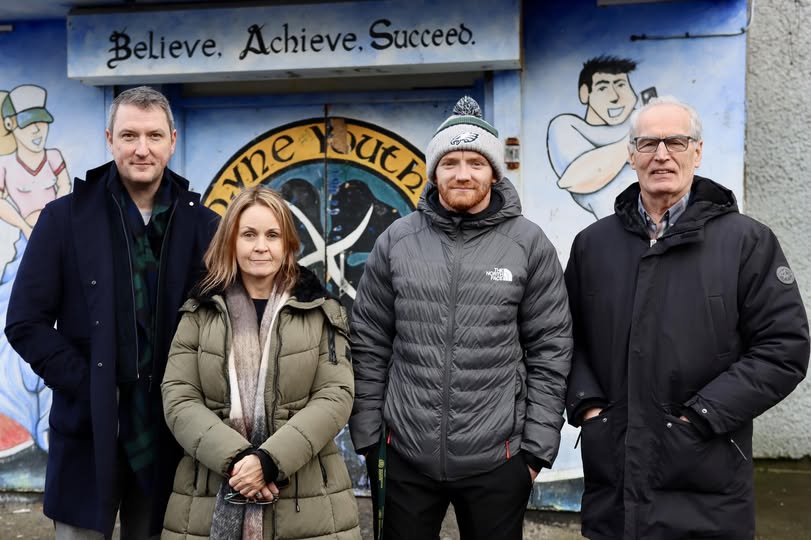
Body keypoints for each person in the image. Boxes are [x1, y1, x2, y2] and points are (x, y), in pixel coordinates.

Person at [564, 96, 810, 539]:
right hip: (614, 485)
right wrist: (588, 407)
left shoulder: (746, 243)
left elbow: (783, 349)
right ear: (631, 155)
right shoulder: (592, 245)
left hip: (707, 482)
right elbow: (566, 338)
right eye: (648, 143)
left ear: (697, 152)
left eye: (676, 142)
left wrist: (701, 416)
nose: (661, 154)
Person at [349, 96, 573, 540]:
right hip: (404, 455)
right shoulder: (397, 241)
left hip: (499, 459)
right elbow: (369, 341)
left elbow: (551, 348)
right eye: (450, 162)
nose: (463, 174)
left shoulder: (528, 244)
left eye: (476, 162)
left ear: (494, 172)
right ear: (434, 172)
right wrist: (369, 437)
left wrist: (534, 452)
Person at [5, 86, 219, 539]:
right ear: (109, 139)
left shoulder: (205, 226)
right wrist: (89, 385)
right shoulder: (63, 219)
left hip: (170, 436)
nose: (142, 149)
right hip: (85, 431)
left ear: (172, 141)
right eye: (129, 135)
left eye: (154, 136)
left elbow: (225, 322)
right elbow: (25, 321)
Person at [161, 186, 361, 539]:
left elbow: (335, 396)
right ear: (230, 241)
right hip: (208, 494)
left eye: (272, 235)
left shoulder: (320, 310)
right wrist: (239, 461)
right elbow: (179, 396)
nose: (260, 246)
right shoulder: (199, 311)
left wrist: (268, 462)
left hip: (307, 503)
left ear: (288, 244)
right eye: (249, 234)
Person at [0, 84, 71, 454]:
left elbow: (66, 193)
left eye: (41, 123)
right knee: (16, 331)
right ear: (11, 124)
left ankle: (48, 422)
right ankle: (17, 417)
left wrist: (52, 226)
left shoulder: (54, 157)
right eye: (29, 124)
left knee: (64, 333)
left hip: (60, 252)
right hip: (25, 254)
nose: (37, 130)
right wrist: (28, 225)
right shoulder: (6, 165)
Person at [547, 56, 640, 219]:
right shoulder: (566, 126)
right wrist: (630, 144)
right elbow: (577, 179)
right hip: (618, 227)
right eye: (603, 88)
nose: (615, 96)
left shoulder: (641, 120)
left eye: (620, 85)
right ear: (585, 93)